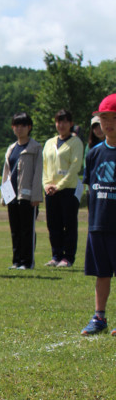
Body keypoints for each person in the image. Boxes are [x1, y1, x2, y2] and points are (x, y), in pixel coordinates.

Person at [80, 94, 116, 336]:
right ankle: (99, 317)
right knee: (101, 273)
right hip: (98, 224)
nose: (108, 123)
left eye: (113, 118)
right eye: (103, 118)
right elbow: (91, 188)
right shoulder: (94, 153)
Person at [42, 109, 84, 267]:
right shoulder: (49, 143)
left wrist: (58, 186)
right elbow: (45, 167)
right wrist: (47, 184)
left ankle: (68, 257)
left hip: (68, 190)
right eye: (59, 121)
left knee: (69, 224)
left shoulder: (75, 142)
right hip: (51, 191)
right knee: (53, 224)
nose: (61, 125)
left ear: (71, 124)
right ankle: (56, 255)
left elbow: (75, 167)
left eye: (65, 121)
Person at [1, 112, 43, 269]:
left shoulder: (35, 148)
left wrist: (36, 195)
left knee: (27, 230)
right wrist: (4, 196)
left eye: (23, 125)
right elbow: (6, 173)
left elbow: (38, 173)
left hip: (27, 195)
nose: (19, 129)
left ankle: (27, 261)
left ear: (29, 127)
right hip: (12, 195)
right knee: (15, 230)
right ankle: (16, 260)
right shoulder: (11, 149)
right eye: (16, 125)